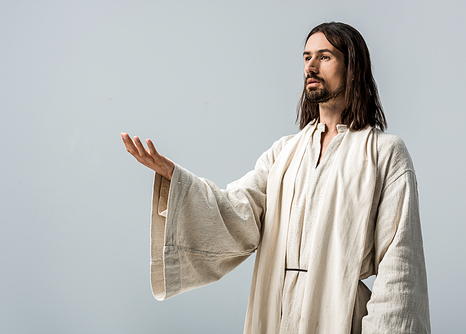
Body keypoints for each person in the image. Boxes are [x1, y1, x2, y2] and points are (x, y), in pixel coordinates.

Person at [121, 22, 431, 334]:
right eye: (307, 56)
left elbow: (399, 267)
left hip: (340, 316)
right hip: (277, 313)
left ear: (353, 69)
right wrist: (176, 180)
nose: (310, 65)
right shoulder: (284, 152)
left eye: (325, 57)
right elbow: (237, 211)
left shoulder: (384, 153)